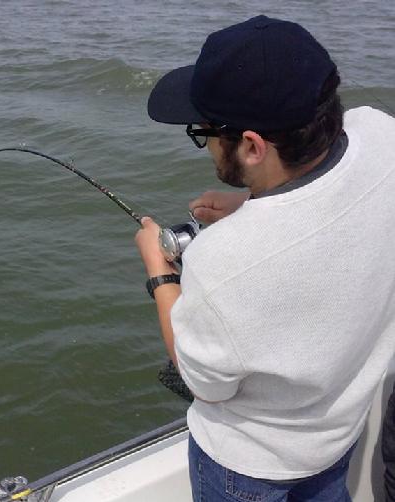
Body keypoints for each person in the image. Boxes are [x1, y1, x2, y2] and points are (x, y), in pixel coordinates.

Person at [134, 15, 395, 502]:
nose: (206, 145)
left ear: (252, 145)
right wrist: (254, 204)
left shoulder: (223, 261)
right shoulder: (382, 132)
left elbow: (202, 381)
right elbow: (337, 201)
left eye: (204, 132)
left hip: (247, 470)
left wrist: (159, 272)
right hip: (340, 434)